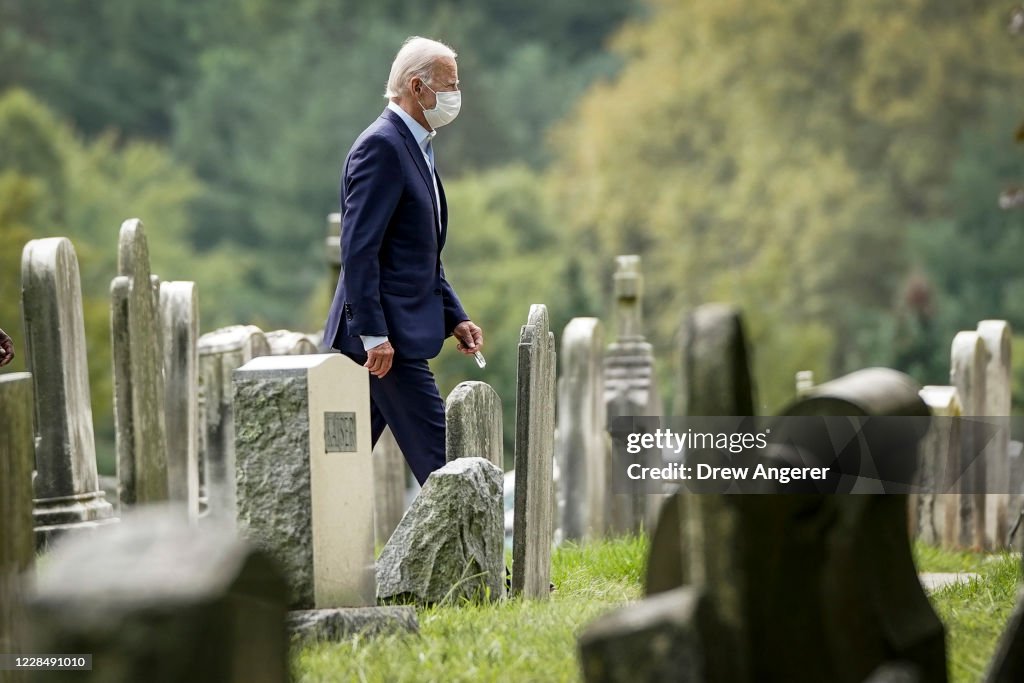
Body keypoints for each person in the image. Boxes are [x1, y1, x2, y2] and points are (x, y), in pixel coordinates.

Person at [323, 36, 483, 486]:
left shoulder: (417, 145)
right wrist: (374, 336)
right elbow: (359, 250)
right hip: (386, 346)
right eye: (450, 84)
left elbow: (418, 251)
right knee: (444, 464)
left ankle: (296, 554)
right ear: (417, 87)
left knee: (332, 472)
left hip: (391, 338)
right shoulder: (383, 147)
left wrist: (454, 315)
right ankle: (486, 561)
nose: (456, 94)